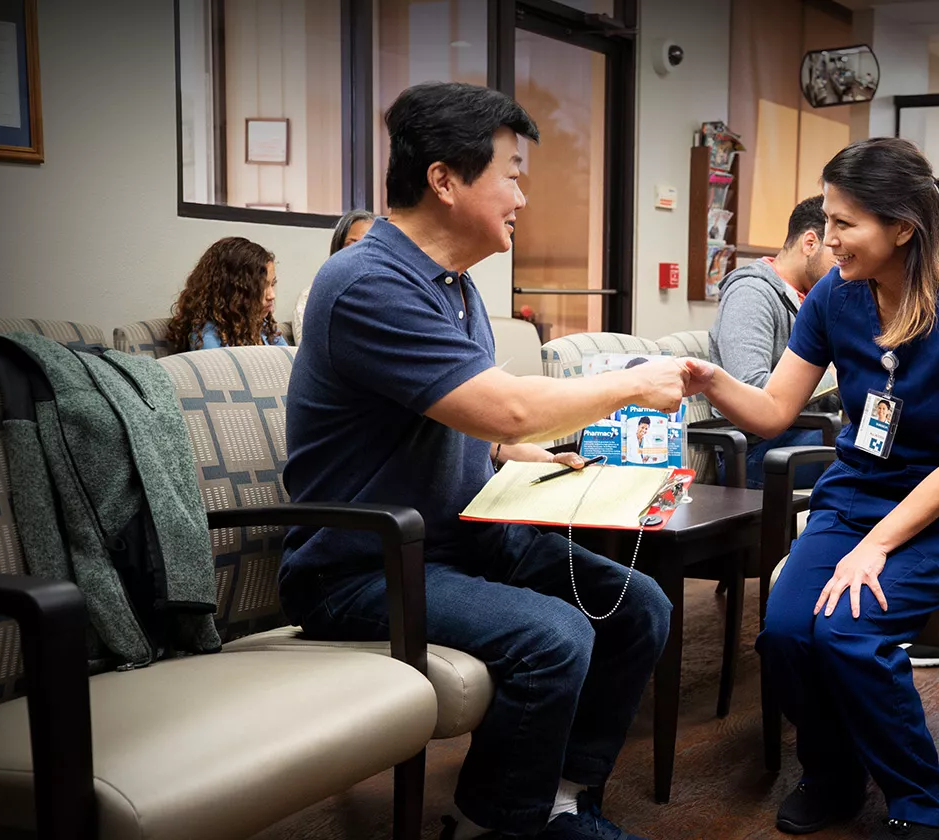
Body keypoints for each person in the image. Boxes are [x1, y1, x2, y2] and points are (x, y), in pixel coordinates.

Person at [281, 82, 690, 840]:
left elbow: (475, 420)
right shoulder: (368, 282)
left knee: (640, 608)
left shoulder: (455, 287)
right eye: (510, 172)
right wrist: (633, 382)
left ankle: (564, 800)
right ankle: (499, 824)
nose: (522, 196)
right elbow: (502, 403)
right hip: (363, 567)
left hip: (464, 539)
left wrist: (527, 451)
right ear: (443, 178)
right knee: (555, 636)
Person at [685, 137, 939, 840]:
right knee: (783, 633)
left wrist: (873, 547)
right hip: (854, 497)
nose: (828, 237)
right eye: (829, 220)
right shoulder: (836, 300)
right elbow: (776, 411)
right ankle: (833, 774)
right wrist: (711, 381)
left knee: (847, 630)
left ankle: (927, 800)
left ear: (902, 226)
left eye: (846, 223)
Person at [708, 195, 838, 489]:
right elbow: (752, 388)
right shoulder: (750, 294)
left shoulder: (817, 300)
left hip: (808, 434)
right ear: (810, 243)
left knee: (883, 437)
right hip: (755, 453)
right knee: (864, 451)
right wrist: (832, 376)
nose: (842, 265)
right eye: (835, 253)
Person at [169, 236, 288, 351]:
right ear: (232, 291)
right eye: (260, 287)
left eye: (272, 284)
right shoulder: (206, 337)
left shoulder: (265, 328)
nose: (272, 295)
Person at [294, 209, 379, 342]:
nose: (362, 253)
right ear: (338, 249)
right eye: (353, 245)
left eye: (369, 245)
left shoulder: (386, 295)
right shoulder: (312, 296)